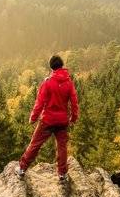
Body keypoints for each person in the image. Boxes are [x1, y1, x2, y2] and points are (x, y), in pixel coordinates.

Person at [16, 54, 79, 183]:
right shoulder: (69, 83)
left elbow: (40, 102)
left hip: (47, 121)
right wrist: (73, 118)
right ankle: (62, 175)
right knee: (62, 146)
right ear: (62, 66)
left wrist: (33, 117)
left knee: (35, 144)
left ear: (51, 67)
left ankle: (22, 170)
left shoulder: (48, 82)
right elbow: (74, 103)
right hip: (62, 121)